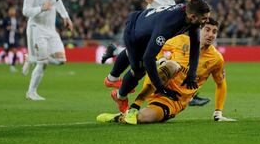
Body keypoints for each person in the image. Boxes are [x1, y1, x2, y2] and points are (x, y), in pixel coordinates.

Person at [101, 0, 209, 106]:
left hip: (175, 13)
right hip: (155, 16)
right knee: (149, 62)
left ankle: (116, 59)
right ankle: (175, 91)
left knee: (159, 58)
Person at [97, 18, 236, 124]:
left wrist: (218, 112)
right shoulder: (181, 40)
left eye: (214, 31)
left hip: (174, 101)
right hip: (159, 81)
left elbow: (221, 84)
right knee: (171, 65)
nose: (211, 34)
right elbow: (155, 49)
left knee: (144, 119)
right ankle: (134, 105)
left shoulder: (216, 59)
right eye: (207, 29)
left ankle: (117, 116)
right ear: (199, 30)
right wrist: (162, 60)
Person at [110, 0, 210, 113]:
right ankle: (119, 97)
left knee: (138, 59)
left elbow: (195, 45)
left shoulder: (190, 14)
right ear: (193, 17)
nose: (206, 21)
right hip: (134, 32)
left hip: (148, 26)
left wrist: (192, 73)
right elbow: (149, 59)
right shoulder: (169, 25)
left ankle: (113, 66)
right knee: (139, 70)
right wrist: (161, 88)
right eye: (204, 19)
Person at [22, 0, 73, 100]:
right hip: (36, 28)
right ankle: (31, 92)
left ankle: (31, 57)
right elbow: (25, 11)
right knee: (43, 63)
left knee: (61, 60)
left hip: (51, 29)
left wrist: (66, 17)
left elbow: (57, 1)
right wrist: (41, 8)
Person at [0, 7, 21, 73]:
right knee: (6, 51)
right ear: (9, 12)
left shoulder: (16, 20)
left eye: (13, 11)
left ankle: (12, 67)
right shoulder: (6, 19)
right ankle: (2, 57)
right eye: (11, 11)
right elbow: (1, 25)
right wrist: (7, 27)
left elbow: (17, 28)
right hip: (7, 38)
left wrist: (20, 30)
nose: (13, 12)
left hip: (14, 38)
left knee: (15, 51)